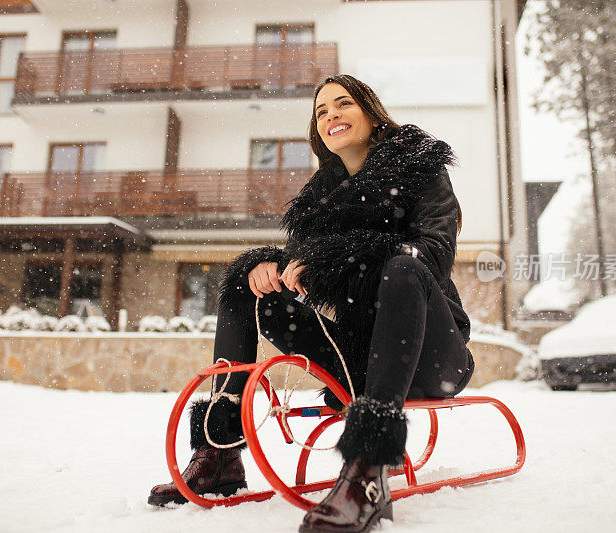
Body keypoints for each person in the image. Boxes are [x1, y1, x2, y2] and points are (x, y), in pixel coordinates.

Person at [149, 74, 474, 533]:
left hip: (433, 354)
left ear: (370, 112)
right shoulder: (319, 202)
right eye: (321, 111)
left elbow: (434, 253)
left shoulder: (418, 165)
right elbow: (309, 269)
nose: (331, 115)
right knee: (246, 283)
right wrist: (272, 267)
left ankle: (366, 474)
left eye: (343, 104)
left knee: (402, 266)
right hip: (356, 361)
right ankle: (218, 452)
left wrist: (336, 255)